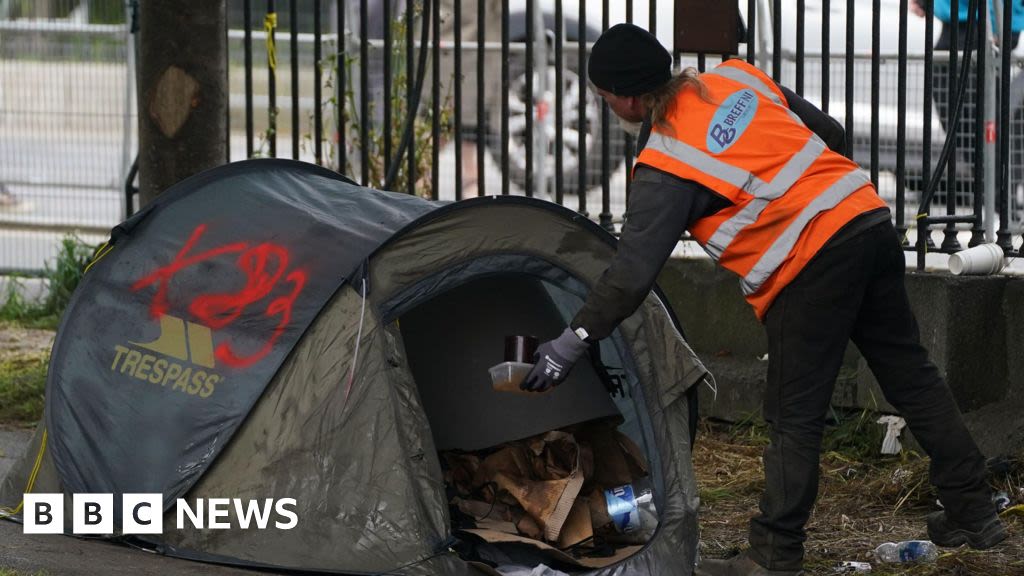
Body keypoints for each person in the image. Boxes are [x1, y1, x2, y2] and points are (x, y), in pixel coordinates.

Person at [519, 23, 1007, 576]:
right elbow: (831, 132)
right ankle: (973, 510)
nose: (609, 108)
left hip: (808, 268)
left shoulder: (666, 161)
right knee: (912, 375)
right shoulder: (736, 77)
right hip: (866, 223)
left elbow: (631, 274)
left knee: (793, 416)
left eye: (606, 100)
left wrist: (573, 339)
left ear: (628, 98)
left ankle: (775, 555)